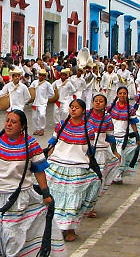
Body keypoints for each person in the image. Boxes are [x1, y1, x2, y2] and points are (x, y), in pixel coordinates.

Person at [0, 110, 66, 256]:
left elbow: (39, 171)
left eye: (13, 122)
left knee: (13, 238)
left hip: (18, 200)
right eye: (7, 120)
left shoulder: (31, 145)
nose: (9, 124)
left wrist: (46, 193)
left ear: (22, 126)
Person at [45, 99, 101, 241]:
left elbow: (90, 150)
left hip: (77, 167)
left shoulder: (88, 129)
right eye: (71, 107)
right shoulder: (61, 126)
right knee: (57, 199)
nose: (73, 110)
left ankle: (70, 229)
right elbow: (52, 144)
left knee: (74, 199)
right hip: (58, 165)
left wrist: (89, 165)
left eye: (76, 108)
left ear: (83, 111)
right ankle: (59, 230)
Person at [87, 94, 120, 210]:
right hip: (85, 151)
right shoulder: (86, 115)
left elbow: (111, 137)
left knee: (98, 179)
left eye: (101, 101)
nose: (98, 103)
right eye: (96, 101)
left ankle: (91, 205)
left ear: (105, 104)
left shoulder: (107, 119)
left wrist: (115, 152)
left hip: (101, 152)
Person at [108, 87, 140, 184]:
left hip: (123, 137)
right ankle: (112, 176)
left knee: (120, 157)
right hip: (112, 137)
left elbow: (133, 123)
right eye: (120, 93)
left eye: (124, 93)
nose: (122, 95)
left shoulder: (130, 109)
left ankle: (117, 177)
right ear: (117, 95)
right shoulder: (111, 107)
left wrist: (137, 136)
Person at [30, 69, 55, 136]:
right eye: (40, 75)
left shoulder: (47, 84)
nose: (41, 76)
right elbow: (31, 90)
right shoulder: (34, 82)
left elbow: (52, 94)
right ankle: (37, 129)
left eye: (43, 75)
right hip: (35, 102)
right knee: (34, 117)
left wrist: (45, 98)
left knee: (42, 115)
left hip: (42, 103)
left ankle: (42, 128)